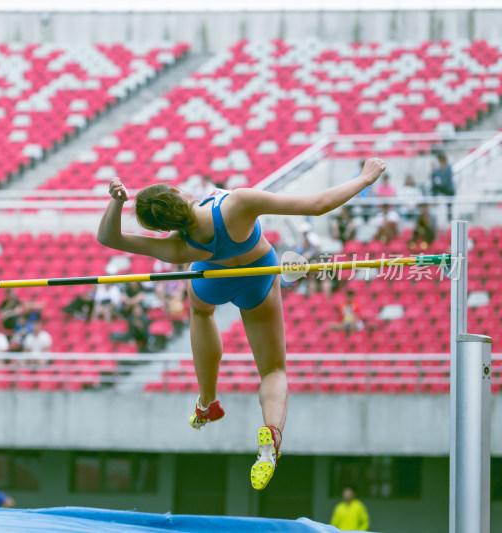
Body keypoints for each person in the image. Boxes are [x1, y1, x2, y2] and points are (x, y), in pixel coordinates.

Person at [97, 158, 387, 490]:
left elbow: (110, 238)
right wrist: (365, 178)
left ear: (158, 227)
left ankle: (207, 400)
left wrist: (116, 202)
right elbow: (318, 205)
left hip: (212, 279)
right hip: (256, 277)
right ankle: (271, 436)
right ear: (178, 192)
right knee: (273, 371)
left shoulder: (177, 246)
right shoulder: (237, 202)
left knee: (201, 309)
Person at [430, 153, 455, 220]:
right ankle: (434, 201)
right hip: (442, 188)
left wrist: (441, 184)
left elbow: (448, 180)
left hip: (448, 189)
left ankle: (449, 216)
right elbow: (433, 179)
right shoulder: (438, 170)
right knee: (434, 188)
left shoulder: (449, 168)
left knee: (449, 199)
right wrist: (433, 170)